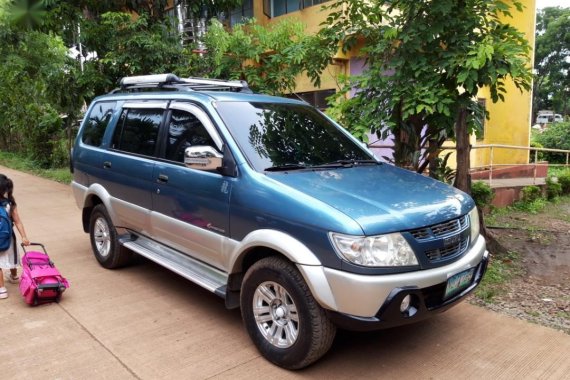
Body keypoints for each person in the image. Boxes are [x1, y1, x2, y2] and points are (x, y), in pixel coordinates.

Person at [0, 174, 30, 299]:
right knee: (12, 256)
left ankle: (1, 289)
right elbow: (17, 221)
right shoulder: (10, 203)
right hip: (9, 238)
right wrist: (24, 236)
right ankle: (14, 276)